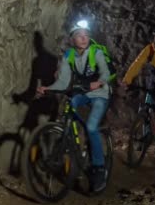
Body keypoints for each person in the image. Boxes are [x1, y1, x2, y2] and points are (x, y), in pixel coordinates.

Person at [36, 21, 111, 193]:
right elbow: (63, 81)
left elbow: (106, 72)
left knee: (91, 127)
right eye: (79, 35)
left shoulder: (96, 52)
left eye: (86, 35)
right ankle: (71, 143)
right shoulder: (68, 55)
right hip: (82, 93)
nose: (84, 38)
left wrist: (99, 82)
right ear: (72, 39)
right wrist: (48, 88)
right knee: (68, 109)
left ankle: (99, 168)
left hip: (99, 94)